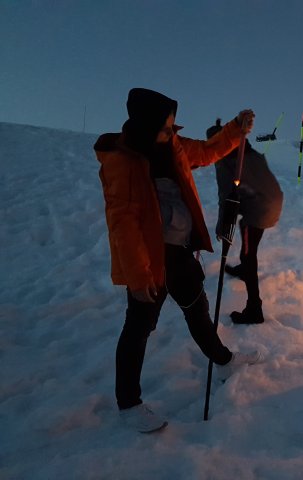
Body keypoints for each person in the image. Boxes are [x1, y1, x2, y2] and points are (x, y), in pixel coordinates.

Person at [94, 88, 262, 433]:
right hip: (150, 260)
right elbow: (122, 224)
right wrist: (139, 279)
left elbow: (209, 150)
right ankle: (128, 405)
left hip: (181, 251)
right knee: (138, 328)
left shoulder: (174, 148)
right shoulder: (122, 162)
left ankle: (224, 362)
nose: (173, 132)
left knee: (198, 311)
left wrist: (235, 129)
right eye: (166, 127)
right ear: (145, 127)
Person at [206, 120, 283, 324]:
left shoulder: (227, 161)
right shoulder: (249, 153)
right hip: (270, 201)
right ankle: (244, 268)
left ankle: (254, 309)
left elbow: (226, 197)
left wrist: (222, 228)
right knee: (246, 234)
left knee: (249, 255)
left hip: (260, 209)